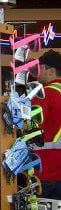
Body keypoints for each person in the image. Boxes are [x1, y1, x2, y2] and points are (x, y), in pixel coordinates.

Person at [32, 49, 61, 199]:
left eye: (39, 67)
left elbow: (30, 126)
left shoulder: (45, 94)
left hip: (47, 172)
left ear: (49, 70)